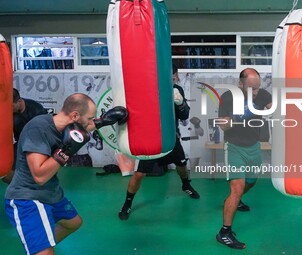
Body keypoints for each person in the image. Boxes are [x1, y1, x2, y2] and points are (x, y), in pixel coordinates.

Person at [5, 93, 127, 255]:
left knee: (73, 222)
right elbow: (39, 176)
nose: (92, 122)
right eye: (91, 118)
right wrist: (66, 151)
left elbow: (86, 126)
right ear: (75, 115)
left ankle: (39, 245)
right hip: (28, 198)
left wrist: (104, 121)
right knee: (44, 252)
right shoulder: (38, 129)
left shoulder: (66, 125)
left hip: (51, 192)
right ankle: (40, 249)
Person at [118, 64, 200, 220]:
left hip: (170, 137)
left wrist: (180, 103)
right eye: (171, 76)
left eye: (174, 76)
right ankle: (127, 204)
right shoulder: (146, 90)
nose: (174, 79)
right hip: (151, 139)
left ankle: (186, 185)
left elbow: (184, 116)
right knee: (140, 174)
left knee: (182, 164)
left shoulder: (176, 90)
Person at [216, 68, 272, 249]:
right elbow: (223, 126)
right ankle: (224, 232)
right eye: (251, 89)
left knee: (252, 181)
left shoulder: (261, 94)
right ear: (240, 84)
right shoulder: (228, 97)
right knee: (236, 188)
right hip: (234, 147)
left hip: (254, 146)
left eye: (257, 88)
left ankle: (236, 200)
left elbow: (273, 105)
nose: (255, 93)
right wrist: (239, 115)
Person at [2, 88, 48, 184]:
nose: (8, 109)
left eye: (11, 106)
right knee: (5, 170)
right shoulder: (7, 112)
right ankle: (19, 185)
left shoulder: (36, 110)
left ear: (19, 101)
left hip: (37, 145)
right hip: (20, 144)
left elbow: (45, 133)